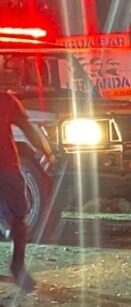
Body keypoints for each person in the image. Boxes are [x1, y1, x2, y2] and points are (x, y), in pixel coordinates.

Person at [1, 90, 54, 295]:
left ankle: (17, 267)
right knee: (17, 221)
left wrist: (45, 150)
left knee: (19, 220)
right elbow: (27, 127)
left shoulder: (5, 100)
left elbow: (26, 126)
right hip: (8, 168)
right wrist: (45, 151)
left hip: (7, 168)